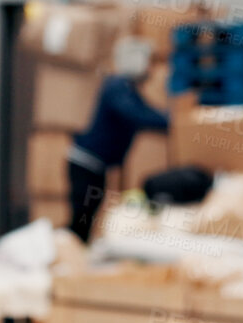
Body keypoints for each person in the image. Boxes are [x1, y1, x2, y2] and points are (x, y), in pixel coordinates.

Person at [66, 36, 168, 242]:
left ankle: (76, 252)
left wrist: (173, 122)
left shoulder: (129, 89)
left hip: (96, 166)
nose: (151, 69)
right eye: (148, 63)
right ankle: (67, 254)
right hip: (85, 164)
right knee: (83, 214)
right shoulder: (116, 86)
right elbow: (138, 115)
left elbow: (149, 113)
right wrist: (175, 123)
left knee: (89, 213)